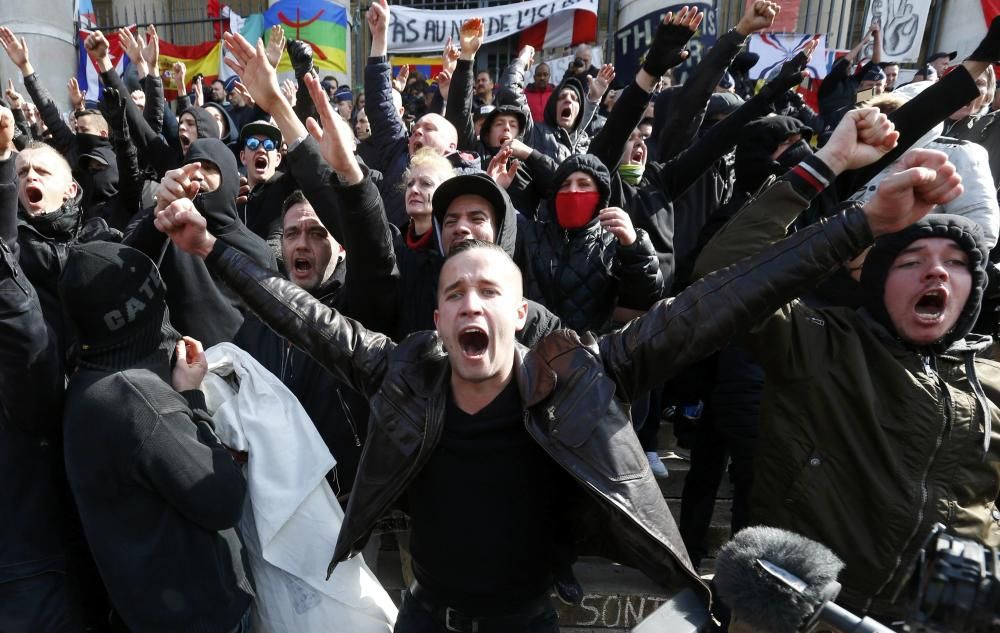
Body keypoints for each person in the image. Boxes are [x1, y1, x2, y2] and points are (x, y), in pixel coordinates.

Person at [154, 112, 945, 630]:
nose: (470, 302)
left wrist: (860, 222)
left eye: (488, 289)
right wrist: (209, 248)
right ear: (437, 320)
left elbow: (722, 301)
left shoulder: (585, 376)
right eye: (452, 291)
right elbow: (305, 316)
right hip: (425, 617)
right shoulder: (402, 370)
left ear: (520, 312)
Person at [691, 107, 995, 621]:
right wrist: (831, 166)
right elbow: (722, 274)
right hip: (804, 616)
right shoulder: (820, 343)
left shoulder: (988, 379)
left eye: (957, 263)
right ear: (875, 281)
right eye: (911, 261)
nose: (936, 273)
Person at [58, 241, 253, 633]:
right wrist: (192, 401)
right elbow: (223, 500)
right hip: (203, 617)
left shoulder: (85, 384)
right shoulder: (140, 400)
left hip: (144, 612)